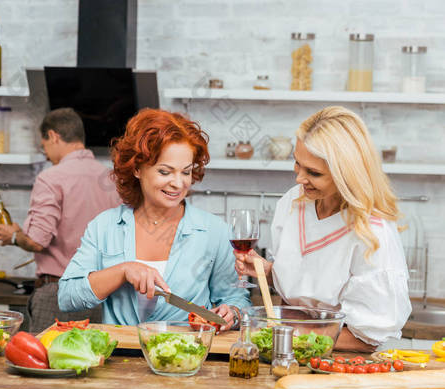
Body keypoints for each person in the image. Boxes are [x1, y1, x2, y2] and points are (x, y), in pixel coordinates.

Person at [234, 106, 411, 351]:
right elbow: (306, 284)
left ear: (347, 174)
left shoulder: (372, 231)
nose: (299, 179)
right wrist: (269, 272)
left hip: (338, 358)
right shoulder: (293, 203)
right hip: (288, 348)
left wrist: (292, 335)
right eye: (297, 163)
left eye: (314, 172)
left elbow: (367, 338)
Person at [58, 109, 251, 329]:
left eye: (185, 172)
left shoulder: (214, 231)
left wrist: (231, 313)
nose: (178, 184)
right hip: (118, 357)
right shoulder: (104, 226)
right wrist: (123, 271)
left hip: (188, 356)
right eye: (165, 172)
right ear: (137, 169)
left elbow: (237, 299)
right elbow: (67, 297)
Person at [0, 107, 120, 333]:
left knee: (46, 363)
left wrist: (13, 236)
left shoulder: (51, 178)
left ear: (53, 136)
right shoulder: (112, 179)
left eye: (44, 147)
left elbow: (36, 241)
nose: (46, 154)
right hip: (103, 294)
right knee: (93, 363)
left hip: (59, 294)